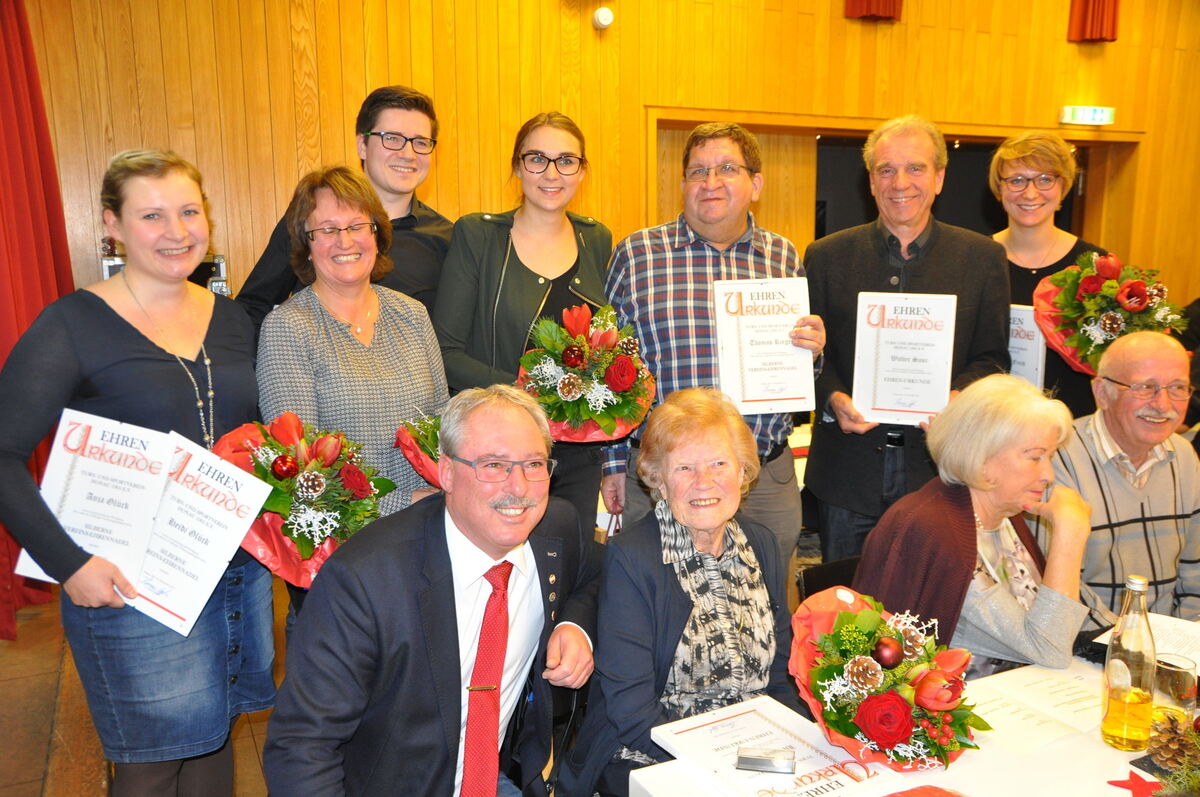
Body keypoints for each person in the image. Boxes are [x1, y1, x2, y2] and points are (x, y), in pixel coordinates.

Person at [0, 150, 274, 795]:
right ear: (112, 225)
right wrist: (69, 564)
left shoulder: (234, 319)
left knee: (214, 738)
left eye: (188, 211)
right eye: (152, 215)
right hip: (128, 582)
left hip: (232, 569)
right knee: (153, 762)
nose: (176, 231)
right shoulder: (71, 324)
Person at [263, 385, 600, 796]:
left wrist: (573, 625)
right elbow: (301, 747)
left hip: (498, 778)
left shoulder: (555, 529)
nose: (519, 487)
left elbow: (596, 576)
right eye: (493, 465)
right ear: (446, 473)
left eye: (533, 463)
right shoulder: (365, 581)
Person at [600, 122, 826, 566]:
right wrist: (612, 465)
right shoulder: (637, 255)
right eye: (698, 171)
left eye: (727, 168)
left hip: (764, 478)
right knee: (661, 597)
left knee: (766, 598)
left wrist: (812, 351)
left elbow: (802, 374)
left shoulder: (783, 257)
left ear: (755, 184)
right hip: (664, 479)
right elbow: (607, 370)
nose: (710, 182)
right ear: (683, 183)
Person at [559, 388, 803, 797]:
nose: (703, 482)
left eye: (719, 463)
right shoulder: (634, 557)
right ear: (659, 479)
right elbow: (632, 713)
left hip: (753, 750)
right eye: (685, 467)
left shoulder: (759, 544)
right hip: (655, 752)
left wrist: (794, 745)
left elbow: (781, 674)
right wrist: (727, 769)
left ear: (743, 471)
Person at [804, 115, 1011, 562]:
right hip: (848, 474)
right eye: (886, 170)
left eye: (915, 168)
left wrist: (958, 398)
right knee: (844, 599)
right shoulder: (826, 256)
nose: (900, 183)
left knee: (931, 598)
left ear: (939, 178)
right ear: (871, 181)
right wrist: (834, 397)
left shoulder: (982, 259)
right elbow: (813, 356)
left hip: (941, 473)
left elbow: (992, 359)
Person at [434, 112, 611, 532]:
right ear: (517, 166)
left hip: (578, 454)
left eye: (566, 160)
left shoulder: (597, 239)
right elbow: (446, 352)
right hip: (497, 454)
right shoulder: (479, 236)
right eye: (537, 159)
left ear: (582, 171)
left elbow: (606, 345)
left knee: (569, 561)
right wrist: (528, 395)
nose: (552, 173)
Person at [854, 374, 1093, 674]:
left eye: (1050, 457)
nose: (1049, 475)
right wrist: (1070, 534)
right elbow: (1050, 648)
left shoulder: (1004, 515)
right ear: (982, 460)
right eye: (1035, 457)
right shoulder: (937, 532)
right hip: (964, 697)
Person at [257, 165, 448, 517]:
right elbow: (301, 471)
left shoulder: (412, 314)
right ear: (306, 244)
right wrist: (404, 503)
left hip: (431, 517)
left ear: (377, 234)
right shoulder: (287, 328)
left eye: (357, 226)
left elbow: (443, 423)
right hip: (348, 533)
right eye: (327, 229)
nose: (345, 242)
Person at [236, 85, 452, 333]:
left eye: (421, 142)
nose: (408, 154)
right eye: (392, 138)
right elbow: (252, 309)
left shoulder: (448, 239)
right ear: (362, 145)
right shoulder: (312, 218)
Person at [1027, 331, 1200, 630]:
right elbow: (1057, 588)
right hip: (1085, 643)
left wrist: (1187, 635)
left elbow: (1195, 572)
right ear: (1102, 393)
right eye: (1145, 387)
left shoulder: (1184, 456)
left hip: (1168, 643)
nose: (1163, 404)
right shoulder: (1057, 458)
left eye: (1177, 388)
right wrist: (1131, 643)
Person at [990, 130, 1107, 416]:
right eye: (1017, 180)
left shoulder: (1095, 264)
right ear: (1000, 188)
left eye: (1045, 179)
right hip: (993, 418)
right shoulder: (977, 258)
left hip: (1073, 418)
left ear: (1063, 185)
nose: (1030, 193)